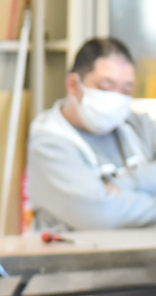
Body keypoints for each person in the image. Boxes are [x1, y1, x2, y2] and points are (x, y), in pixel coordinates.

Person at [26, 37, 156, 232]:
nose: (116, 98)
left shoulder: (136, 125)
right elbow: (101, 214)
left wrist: (125, 184)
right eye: (106, 87)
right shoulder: (49, 144)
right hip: (74, 261)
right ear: (73, 85)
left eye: (126, 90)